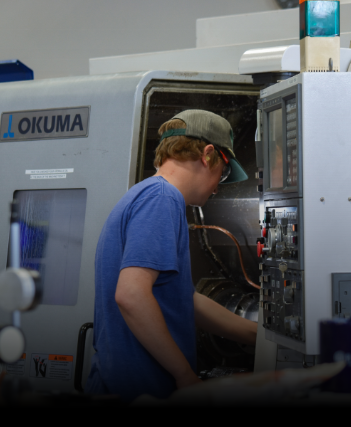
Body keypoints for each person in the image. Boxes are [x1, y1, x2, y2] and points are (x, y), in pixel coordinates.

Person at [86, 110, 258, 402]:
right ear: (207, 155)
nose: (218, 186)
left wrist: (260, 337)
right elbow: (131, 296)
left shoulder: (146, 195)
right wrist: (184, 375)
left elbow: (184, 301)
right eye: (224, 171)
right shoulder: (162, 199)